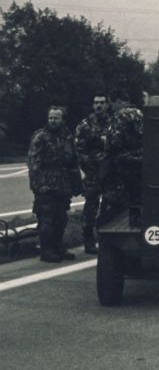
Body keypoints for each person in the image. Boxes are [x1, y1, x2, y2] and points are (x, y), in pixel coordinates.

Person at [28, 106, 81, 262]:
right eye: (50, 117)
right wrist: (37, 186)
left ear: (63, 120)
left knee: (61, 218)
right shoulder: (41, 137)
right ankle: (46, 251)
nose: (52, 121)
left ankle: (58, 247)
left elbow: (73, 162)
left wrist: (76, 184)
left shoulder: (67, 137)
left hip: (63, 184)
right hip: (46, 184)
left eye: (56, 118)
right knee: (46, 219)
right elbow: (33, 164)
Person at [74, 92, 112, 254]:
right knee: (91, 206)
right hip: (93, 172)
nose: (99, 105)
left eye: (102, 102)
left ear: (107, 105)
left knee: (111, 205)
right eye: (96, 102)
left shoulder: (114, 123)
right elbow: (79, 149)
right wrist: (90, 167)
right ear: (92, 105)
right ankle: (89, 240)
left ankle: (108, 238)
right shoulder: (85, 125)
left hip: (111, 172)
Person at [107, 90, 143, 226]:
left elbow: (114, 141)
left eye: (112, 104)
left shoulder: (120, 115)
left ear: (118, 101)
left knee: (127, 193)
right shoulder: (140, 113)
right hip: (142, 157)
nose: (112, 107)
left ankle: (133, 220)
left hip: (127, 160)